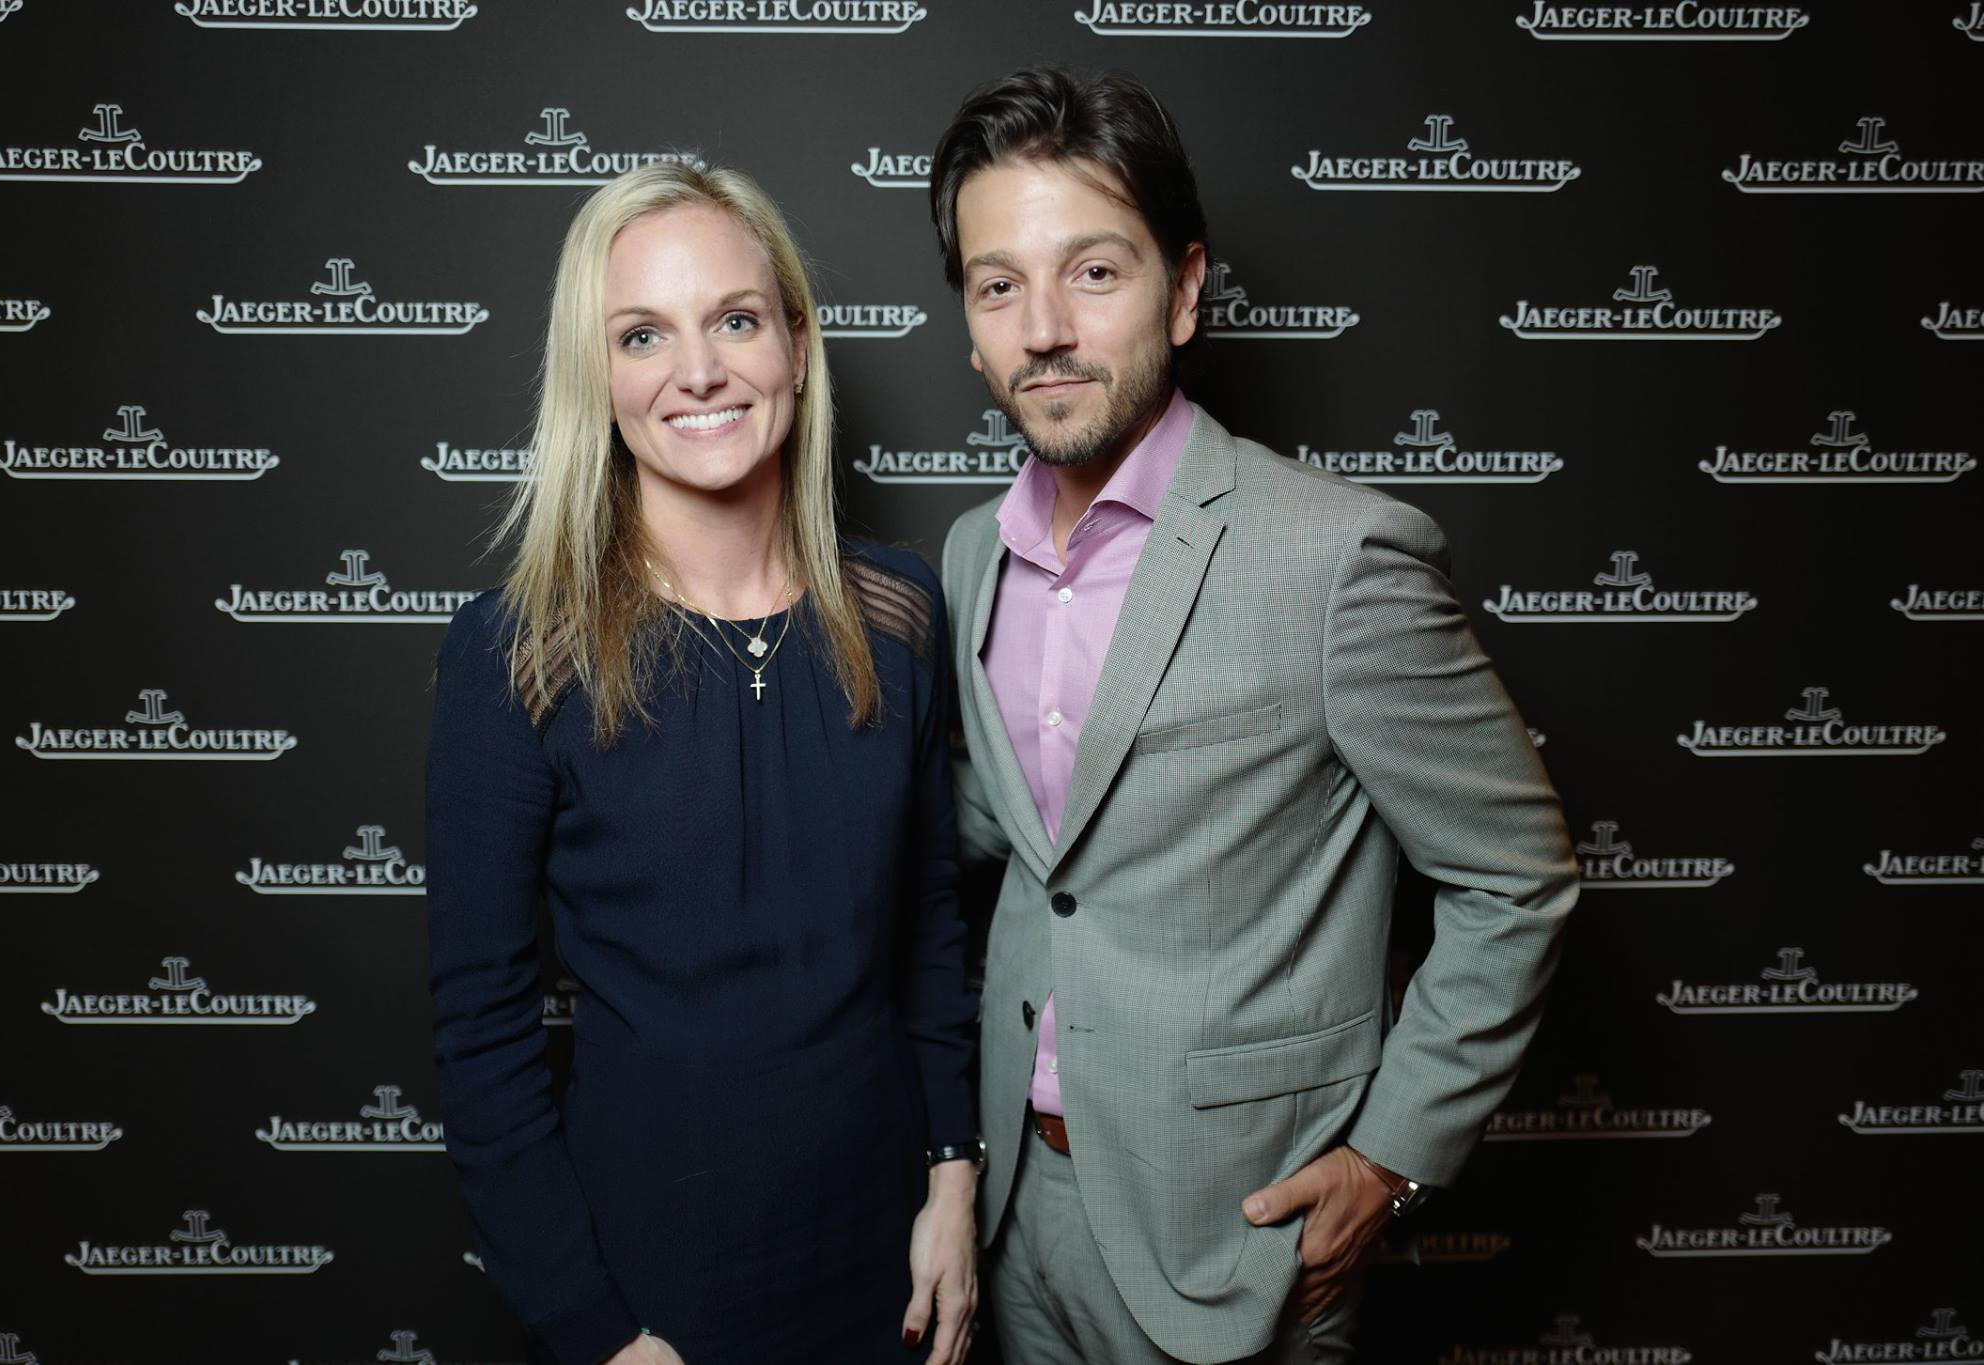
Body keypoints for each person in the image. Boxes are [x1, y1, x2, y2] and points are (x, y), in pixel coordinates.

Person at [928, 68, 1580, 1364]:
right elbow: (1020, 855)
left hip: (1233, 1234)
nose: (1043, 328)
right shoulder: (967, 559)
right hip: (1013, 1213)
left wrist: (1391, 1155)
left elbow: (1518, 879)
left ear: (1182, 289)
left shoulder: (1336, 560)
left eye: (1092, 273)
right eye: (999, 286)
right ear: (970, 325)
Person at [425, 161, 982, 1365]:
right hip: (648, 1291)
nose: (698, 371)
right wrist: (597, 1332)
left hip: (886, 1261)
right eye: (642, 335)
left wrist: (953, 1181)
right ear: (597, 378)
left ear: (796, 343)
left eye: (734, 320)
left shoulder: (898, 613)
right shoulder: (518, 654)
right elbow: (482, 1038)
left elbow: (929, 935)